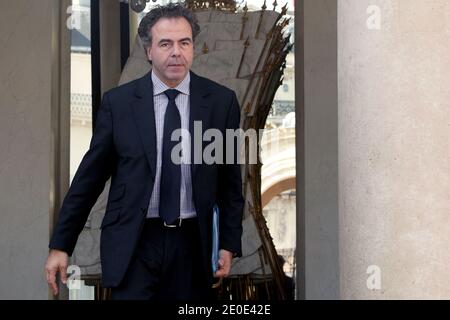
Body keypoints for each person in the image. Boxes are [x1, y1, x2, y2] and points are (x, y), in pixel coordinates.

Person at [45, 3, 244, 300]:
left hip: (192, 244)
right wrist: (61, 245)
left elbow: (230, 183)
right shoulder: (119, 104)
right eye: (165, 43)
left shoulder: (220, 103)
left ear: (192, 48)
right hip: (134, 244)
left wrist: (228, 243)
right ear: (149, 50)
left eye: (184, 43)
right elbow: (89, 179)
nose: (176, 52)